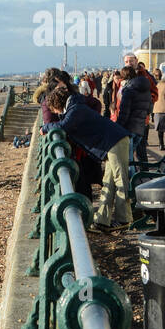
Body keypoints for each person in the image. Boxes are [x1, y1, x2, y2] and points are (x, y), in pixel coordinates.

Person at [43, 83, 133, 229]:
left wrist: (45, 128)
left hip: (115, 140)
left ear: (56, 104)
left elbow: (63, 126)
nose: (55, 113)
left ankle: (124, 219)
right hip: (110, 142)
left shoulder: (75, 109)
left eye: (53, 109)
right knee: (108, 181)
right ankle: (102, 220)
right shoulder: (74, 107)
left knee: (120, 178)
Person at [116, 64, 152, 166]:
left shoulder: (129, 91)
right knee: (131, 157)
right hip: (140, 128)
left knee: (128, 159)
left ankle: (130, 180)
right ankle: (133, 177)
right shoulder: (146, 90)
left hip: (129, 128)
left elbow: (124, 112)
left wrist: (118, 126)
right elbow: (149, 109)